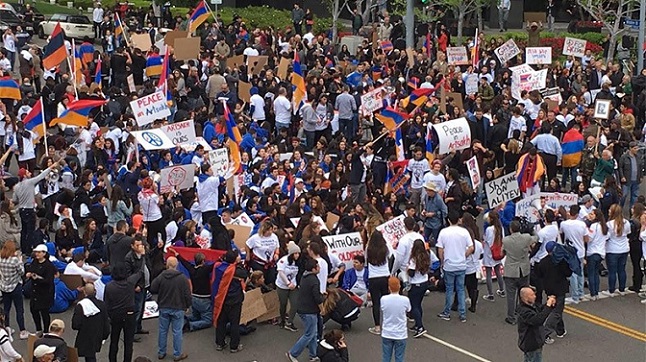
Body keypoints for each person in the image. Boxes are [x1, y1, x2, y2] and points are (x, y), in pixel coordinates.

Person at [150, 256, 191, 361]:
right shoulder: (182, 278)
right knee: (177, 332)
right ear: (176, 265)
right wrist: (187, 305)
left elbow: (153, 287)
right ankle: (177, 354)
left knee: (163, 330)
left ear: (167, 265)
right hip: (178, 307)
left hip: (164, 307)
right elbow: (187, 294)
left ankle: (161, 352)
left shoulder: (161, 276)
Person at [437, 212, 475, 323]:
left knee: (449, 289)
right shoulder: (464, 232)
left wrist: (442, 261)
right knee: (460, 289)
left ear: (448, 220)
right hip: (461, 264)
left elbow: (440, 249)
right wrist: (464, 255)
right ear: (458, 220)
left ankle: (447, 312)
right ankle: (462, 314)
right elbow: (471, 247)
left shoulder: (444, 232)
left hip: (449, 265)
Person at [12, 161, 58, 254]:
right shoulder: (29, 182)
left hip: (22, 210)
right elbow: (40, 177)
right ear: (24, 175)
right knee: (30, 231)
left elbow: (15, 200)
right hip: (29, 210)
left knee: (24, 230)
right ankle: (29, 250)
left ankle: (24, 249)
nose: (30, 173)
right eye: (28, 172)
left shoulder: (16, 187)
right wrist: (50, 168)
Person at [286, 258, 324, 362]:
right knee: (309, 334)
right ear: (314, 269)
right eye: (318, 266)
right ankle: (293, 353)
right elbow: (317, 297)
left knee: (313, 333)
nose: (319, 268)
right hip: (309, 311)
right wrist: (322, 309)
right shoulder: (314, 280)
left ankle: (313, 355)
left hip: (303, 308)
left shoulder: (304, 276)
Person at [502, 220, 538, 325]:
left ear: (510, 229)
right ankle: (523, 313)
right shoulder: (526, 237)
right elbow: (536, 238)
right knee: (523, 294)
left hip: (511, 271)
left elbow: (502, 252)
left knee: (511, 296)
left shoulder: (506, 240)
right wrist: (532, 230)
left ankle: (511, 317)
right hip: (523, 269)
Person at [536, 242, 572, 344]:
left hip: (549, 289)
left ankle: (560, 330)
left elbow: (539, 275)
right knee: (557, 311)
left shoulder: (542, 262)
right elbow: (568, 272)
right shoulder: (561, 261)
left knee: (556, 308)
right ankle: (545, 332)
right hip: (560, 288)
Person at [172, 250, 215, 332]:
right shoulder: (205, 269)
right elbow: (215, 265)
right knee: (208, 321)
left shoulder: (191, 269)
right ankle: (190, 325)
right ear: (203, 261)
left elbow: (185, 262)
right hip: (204, 299)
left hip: (194, 297)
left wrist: (178, 255)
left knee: (196, 316)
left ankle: (182, 318)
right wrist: (221, 258)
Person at [214, 249, 248, 353]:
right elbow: (245, 274)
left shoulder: (219, 267)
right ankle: (234, 346)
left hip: (222, 299)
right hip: (234, 300)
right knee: (234, 323)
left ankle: (220, 343)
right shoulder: (235, 270)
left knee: (221, 322)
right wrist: (239, 264)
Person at [104, 263, 137, 362]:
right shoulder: (130, 284)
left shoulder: (109, 286)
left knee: (114, 340)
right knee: (128, 342)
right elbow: (140, 272)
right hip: (129, 314)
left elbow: (107, 303)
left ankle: (112, 360)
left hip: (115, 314)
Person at [72, 283, 111, 362]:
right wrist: (104, 335)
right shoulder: (102, 304)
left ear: (84, 292)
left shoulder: (80, 306)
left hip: (85, 336)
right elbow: (106, 322)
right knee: (91, 356)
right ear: (95, 291)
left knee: (89, 356)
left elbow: (75, 325)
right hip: (97, 334)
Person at [516, 287, 556, 362]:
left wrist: (549, 305)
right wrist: (548, 306)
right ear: (525, 297)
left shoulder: (531, 305)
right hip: (532, 343)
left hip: (534, 341)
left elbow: (541, 310)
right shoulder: (524, 311)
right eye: (531, 295)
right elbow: (538, 320)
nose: (535, 296)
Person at [560, 205, 589, 304]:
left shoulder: (564, 224)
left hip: (570, 251)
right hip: (580, 251)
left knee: (573, 274)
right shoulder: (582, 224)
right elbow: (586, 239)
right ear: (577, 214)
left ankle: (575, 295)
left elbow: (561, 233)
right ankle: (581, 293)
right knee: (580, 272)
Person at [25, 244, 57, 335]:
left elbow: (49, 281)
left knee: (44, 312)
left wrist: (38, 278)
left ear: (44, 253)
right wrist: (29, 274)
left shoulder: (49, 266)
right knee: (34, 310)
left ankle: (46, 331)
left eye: (39, 252)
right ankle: (38, 329)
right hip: (35, 291)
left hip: (45, 292)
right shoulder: (34, 262)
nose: (37, 254)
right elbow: (30, 269)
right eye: (36, 252)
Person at [0, 240, 28, 340]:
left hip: (4, 286)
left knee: (6, 309)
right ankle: (22, 330)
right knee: (19, 309)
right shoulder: (15, 260)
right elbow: (21, 272)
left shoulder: (1, 259)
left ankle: (6, 328)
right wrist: (20, 260)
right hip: (15, 286)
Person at [603, 204, 631, 297]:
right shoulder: (626, 222)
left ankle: (611, 290)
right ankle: (622, 289)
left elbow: (606, 237)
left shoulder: (609, 224)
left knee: (612, 271)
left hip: (612, 249)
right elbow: (628, 233)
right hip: (624, 248)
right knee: (621, 270)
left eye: (610, 210)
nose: (609, 211)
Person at [366, 230, 391, 334]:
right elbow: (390, 257)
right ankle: (387, 324)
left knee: (376, 302)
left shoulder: (368, 249)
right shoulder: (385, 248)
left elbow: (366, 261)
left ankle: (377, 327)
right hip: (385, 276)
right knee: (386, 301)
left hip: (373, 277)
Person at [381, 276, 410, 362]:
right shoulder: (405, 300)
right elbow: (409, 309)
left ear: (389, 288)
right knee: (399, 357)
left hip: (387, 332)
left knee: (386, 357)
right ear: (399, 286)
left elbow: (382, 309)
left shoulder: (383, 299)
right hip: (401, 333)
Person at [276, 241, 301, 331]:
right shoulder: (284, 260)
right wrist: (287, 283)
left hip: (293, 286)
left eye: (298, 253)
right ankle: (282, 319)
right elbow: (281, 272)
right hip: (282, 286)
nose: (297, 255)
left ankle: (289, 322)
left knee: (295, 304)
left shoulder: (298, 262)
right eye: (295, 253)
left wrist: (294, 284)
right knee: (283, 304)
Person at [407, 239, 429, 337]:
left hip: (415, 284)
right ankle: (417, 324)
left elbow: (411, 274)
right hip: (424, 282)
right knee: (418, 304)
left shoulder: (414, 259)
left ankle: (420, 327)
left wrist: (407, 269)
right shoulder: (426, 256)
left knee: (414, 306)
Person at [482, 211, 506, 301]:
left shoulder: (489, 229)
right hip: (498, 251)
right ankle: (502, 290)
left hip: (489, 252)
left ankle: (490, 294)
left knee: (488, 273)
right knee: (498, 271)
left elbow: (487, 240)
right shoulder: (500, 228)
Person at [618, 142, 644, 207]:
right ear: (630, 148)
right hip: (627, 180)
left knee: (634, 196)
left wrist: (641, 176)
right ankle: (620, 208)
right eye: (635, 148)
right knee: (624, 195)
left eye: (637, 148)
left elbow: (640, 167)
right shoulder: (624, 157)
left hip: (636, 180)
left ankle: (632, 211)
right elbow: (620, 167)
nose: (637, 150)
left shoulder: (638, 157)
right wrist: (622, 176)